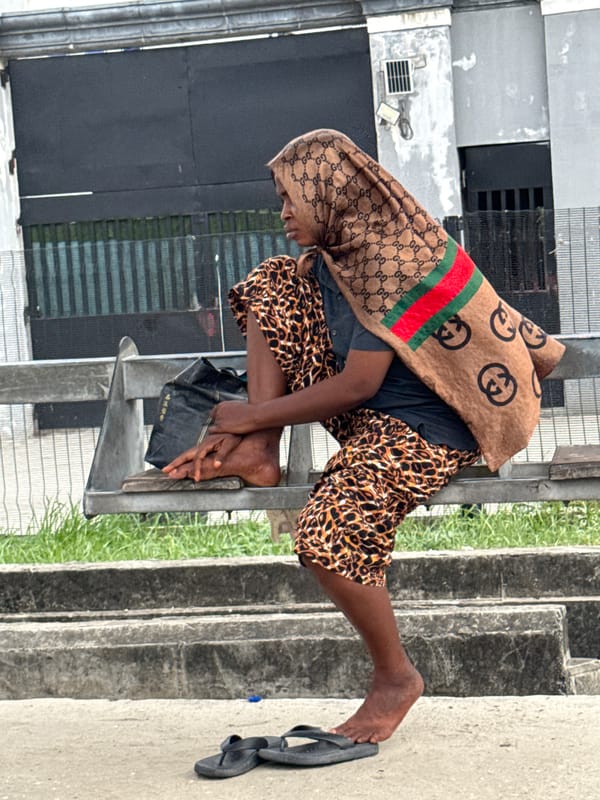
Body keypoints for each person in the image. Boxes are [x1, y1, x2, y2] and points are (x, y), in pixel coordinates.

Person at [164, 129, 564, 744]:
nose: (284, 212)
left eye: (292, 197)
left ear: (331, 193)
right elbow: (335, 368)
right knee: (272, 282)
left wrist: (247, 413)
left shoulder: (386, 259)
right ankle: (259, 456)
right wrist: (255, 426)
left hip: (429, 426)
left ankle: (395, 678)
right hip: (373, 417)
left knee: (327, 530)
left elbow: (356, 384)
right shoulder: (332, 256)